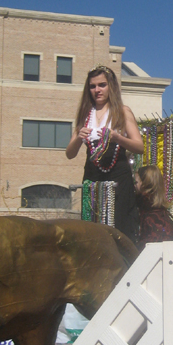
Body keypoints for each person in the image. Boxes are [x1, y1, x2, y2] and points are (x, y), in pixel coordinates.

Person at [66, 65, 143, 241]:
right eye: (93, 86)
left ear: (111, 86)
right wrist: (79, 137)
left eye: (102, 85)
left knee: (120, 224)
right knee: (92, 224)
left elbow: (139, 146)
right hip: (92, 175)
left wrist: (118, 139)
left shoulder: (122, 111)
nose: (97, 90)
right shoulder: (85, 114)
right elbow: (69, 153)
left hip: (118, 175)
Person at [134, 165, 173, 249]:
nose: (134, 186)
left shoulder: (150, 217)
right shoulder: (162, 214)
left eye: (136, 182)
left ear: (145, 185)